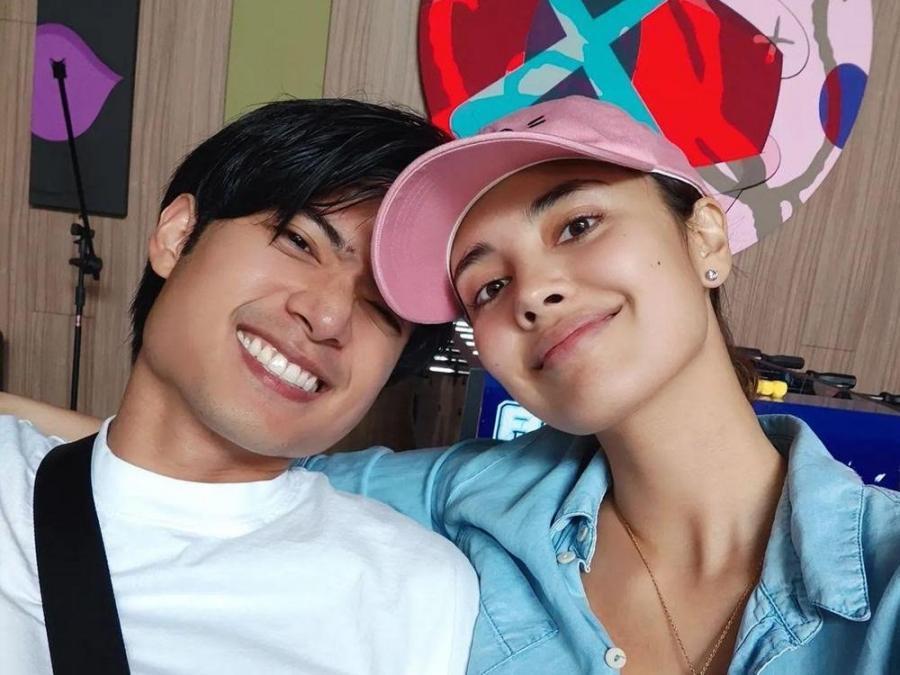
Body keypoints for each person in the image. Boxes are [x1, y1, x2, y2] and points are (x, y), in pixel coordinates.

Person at [9, 96, 900, 674]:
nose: (534, 293)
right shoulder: (473, 501)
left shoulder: (882, 579)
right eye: (488, 285)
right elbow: (207, 467)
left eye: (578, 224)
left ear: (706, 236)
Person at [0, 98, 479, 675]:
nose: (328, 318)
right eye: (300, 242)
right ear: (178, 235)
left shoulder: (410, 590)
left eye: (382, 310)